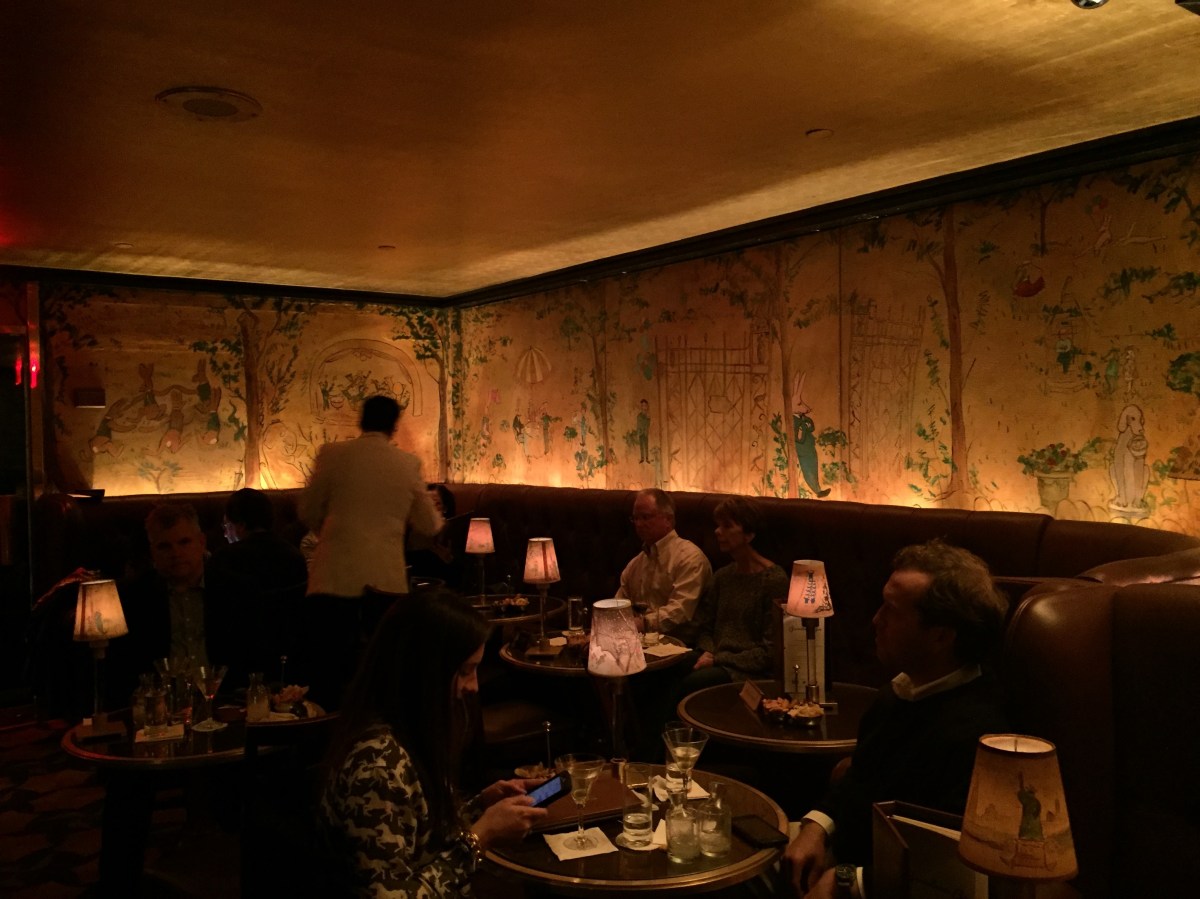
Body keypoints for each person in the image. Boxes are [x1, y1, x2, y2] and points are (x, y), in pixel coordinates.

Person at [785, 540, 1009, 899]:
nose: (876, 620)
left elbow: (944, 868)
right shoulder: (899, 692)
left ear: (941, 635)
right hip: (839, 859)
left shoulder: (978, 734)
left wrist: (846, 881)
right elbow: (860, 777)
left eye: (892, 610)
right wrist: (817, 826)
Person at [320, 593, 548, 897]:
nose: (474, 686)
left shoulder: (404, 730)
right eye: (465, 671)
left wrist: (479, 807)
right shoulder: (378, 767)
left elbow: (419, 839)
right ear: (424, 671)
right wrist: (481, 837)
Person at [301, 395, 443, 599]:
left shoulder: (331, 454)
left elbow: (308, 510)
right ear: (394, 426)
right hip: (384, 580)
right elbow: (429, 524)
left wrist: (333, 535)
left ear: (361, 421)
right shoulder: (407, 463)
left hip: (332, 577)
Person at [683, 497, 786, 688]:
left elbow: (770, 650)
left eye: (727, 526)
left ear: (749, 534)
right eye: (718, 525)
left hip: (748, 671)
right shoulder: (722, 577)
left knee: (693, 682)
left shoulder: (773, 580)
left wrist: (718, 659)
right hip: (716, 657)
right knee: (671, 668)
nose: (717, 531)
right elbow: (705, 627)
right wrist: (708, 651)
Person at [210, 487, 308, 677]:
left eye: (226, 525)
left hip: (238, 662)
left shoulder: (224, 560)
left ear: (240, 525)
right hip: (290, 661)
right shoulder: (295, 556)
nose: (225, 534)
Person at [615, 488, 711, 643]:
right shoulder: (635, 564)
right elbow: (619, 605)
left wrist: (640, 624)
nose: (639, 524)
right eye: (635, 518)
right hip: (638, 643)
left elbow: (680, 611)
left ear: (668, 519)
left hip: (681, 645)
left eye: (645, 517)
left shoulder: (689, 558)